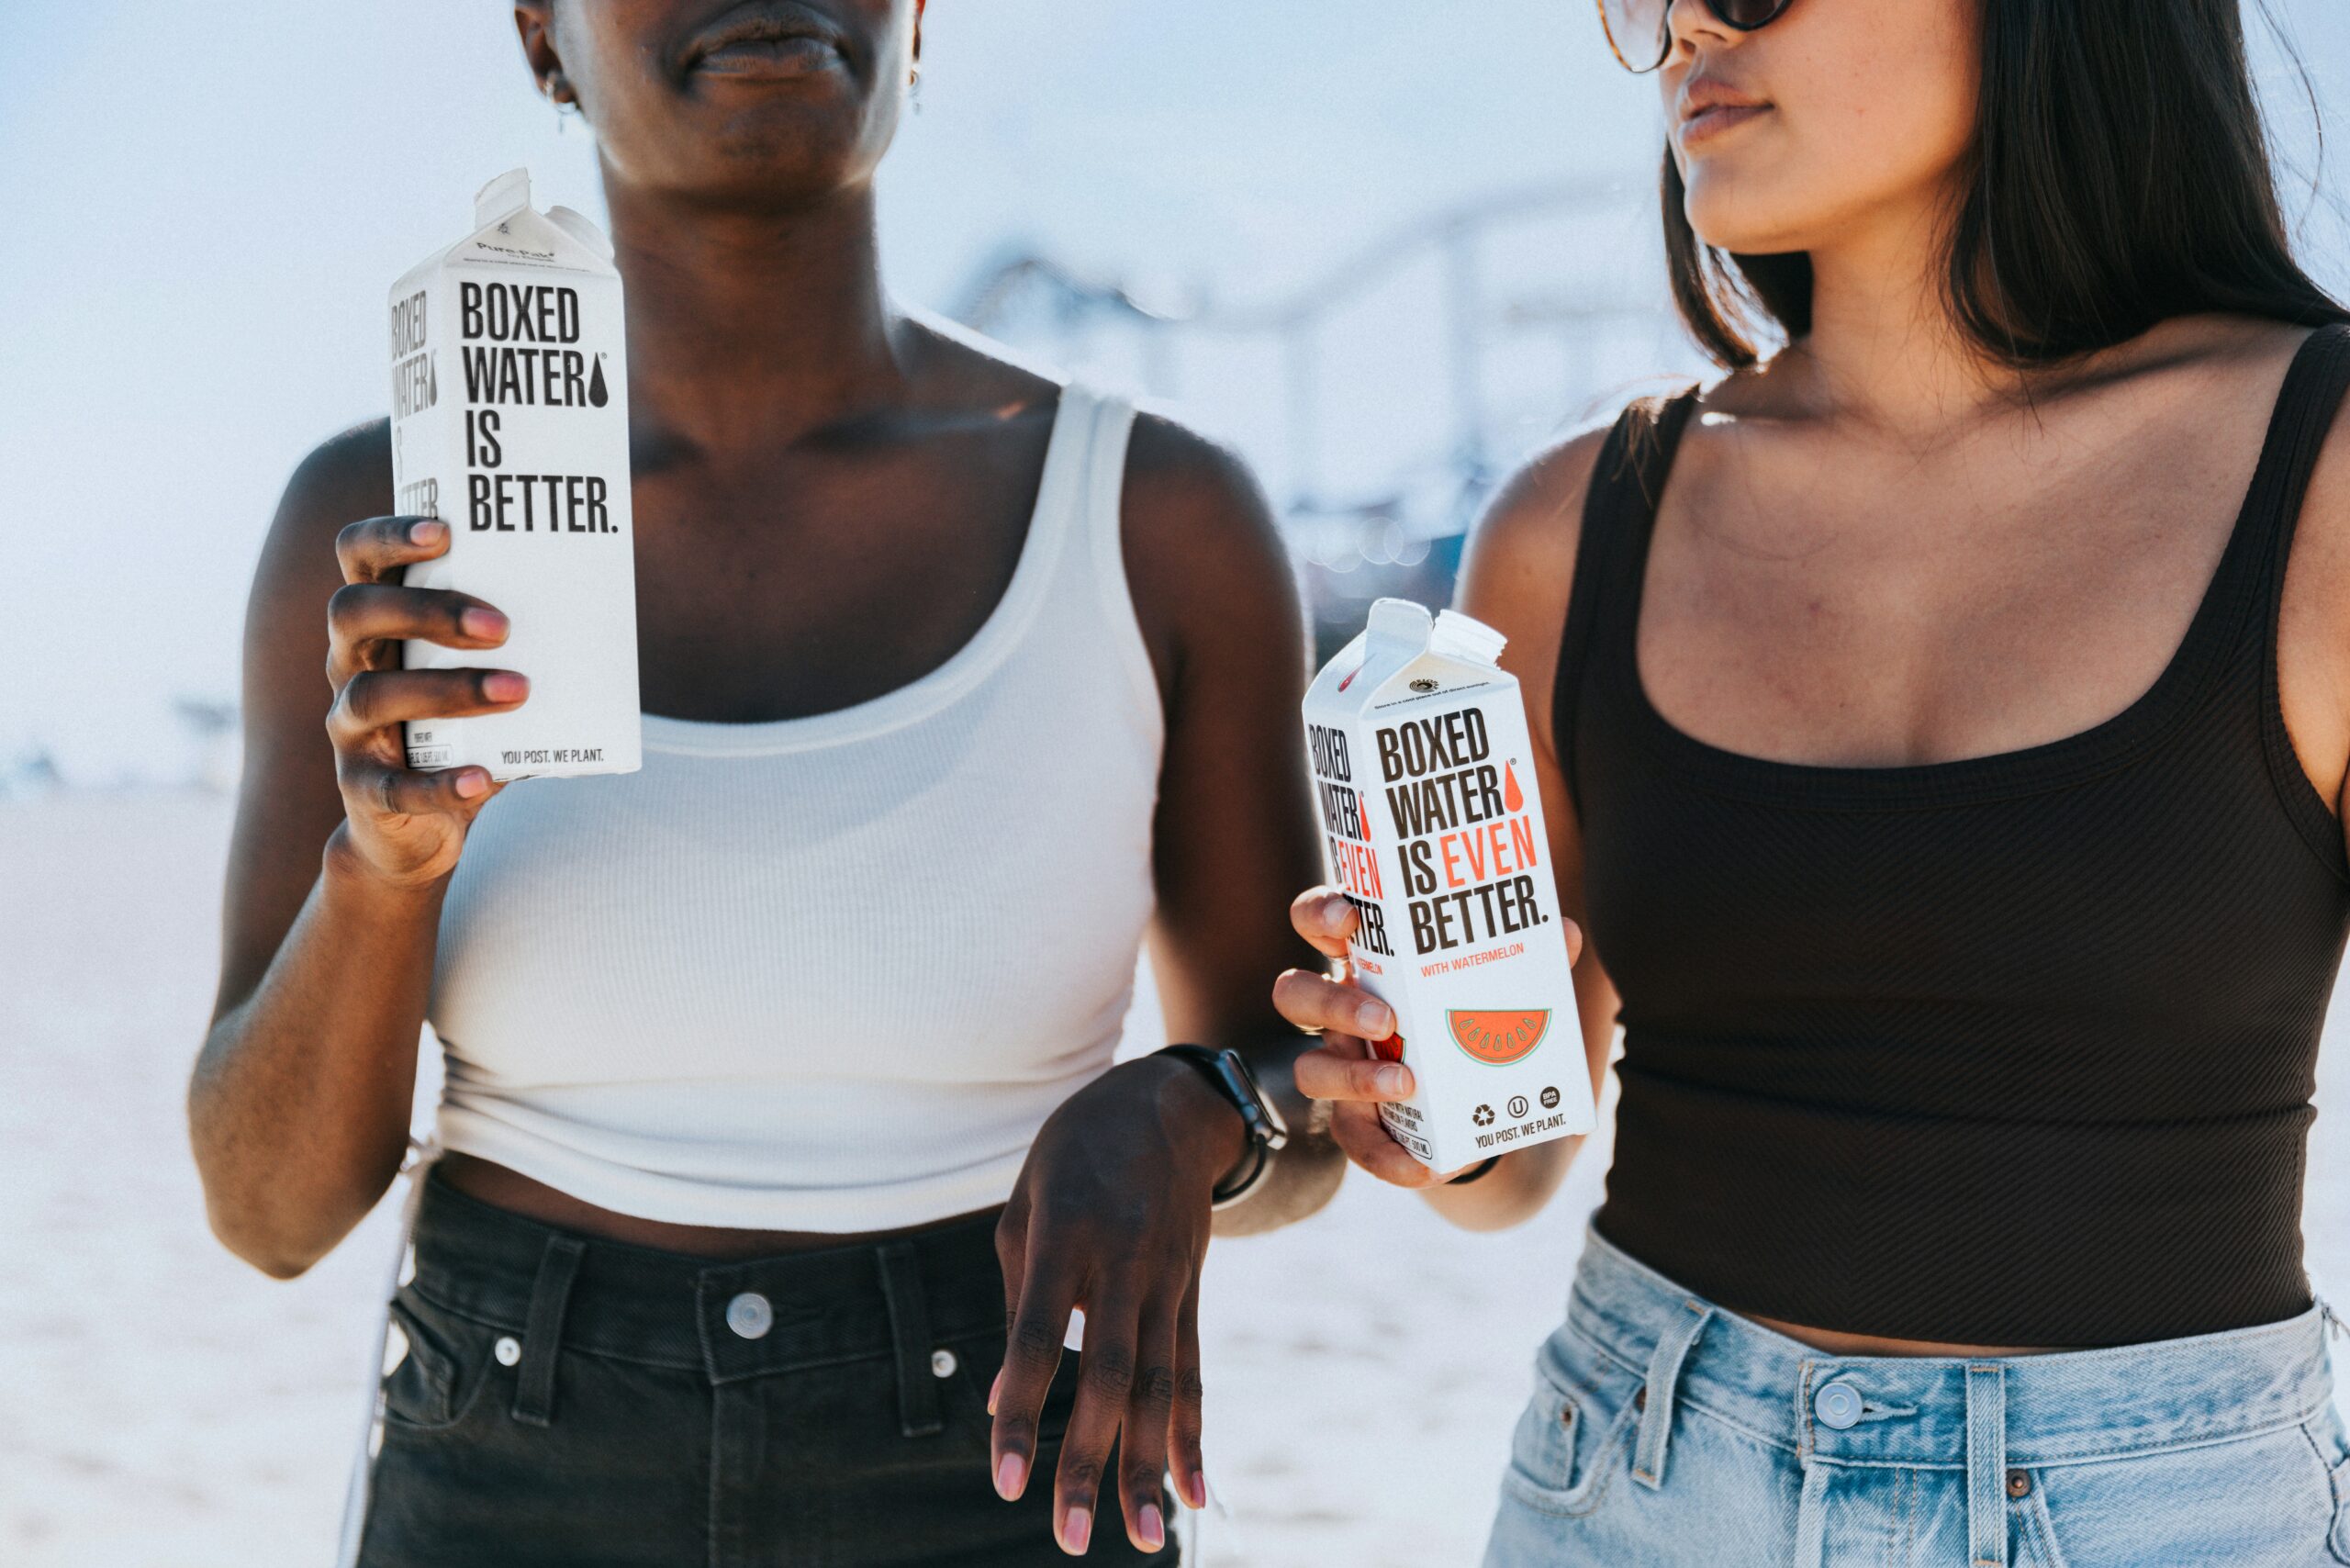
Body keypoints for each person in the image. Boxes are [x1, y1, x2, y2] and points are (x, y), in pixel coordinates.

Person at [187, 3, 1342, 1563]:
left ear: (919, 21)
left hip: (999, 1473)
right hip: (511, 1473)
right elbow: (268, 1216)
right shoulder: (382, 526)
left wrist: (1197, 1110)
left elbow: (1306, 1109)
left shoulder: (1156, 522)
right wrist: (381, 875)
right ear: (541, 34)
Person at [1274, 0, 2350, 1562]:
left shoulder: (2321, 475)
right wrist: (1419, 1109)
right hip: (1627, 1478)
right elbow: (1512, 1162)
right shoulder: (1574, 531)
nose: (1689, 22)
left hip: (2165, 1510)